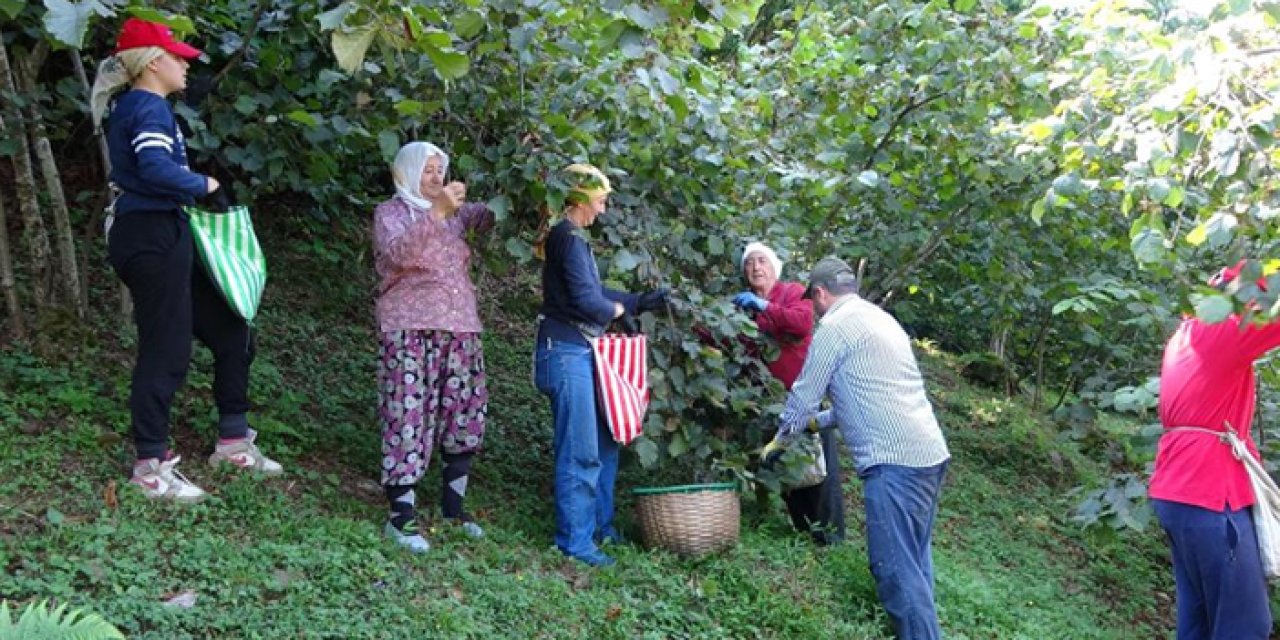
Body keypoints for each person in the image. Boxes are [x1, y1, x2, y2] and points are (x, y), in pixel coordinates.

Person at [92, 18, 282, 503]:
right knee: (167, 348)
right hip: (150, 233)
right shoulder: (148, 107)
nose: (185, 64)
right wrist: (204, 185)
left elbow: (153, 169)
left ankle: (233, 442)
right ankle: (149, 467)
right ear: (153, 63)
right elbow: (155, 168)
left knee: (230, 329)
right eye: (178, 57)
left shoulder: (144, 106)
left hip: (167, 229)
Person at [777, 256, 950, 639]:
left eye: (813, 300)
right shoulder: (880, 320)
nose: (814, 309)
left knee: (894, 570)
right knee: (914, 563)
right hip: (928, 455)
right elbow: (861, 398)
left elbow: (805, 395)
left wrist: (778, 440)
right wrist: (814, 424)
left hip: (895, 465)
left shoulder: (835, 329)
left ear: (820, 293)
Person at [533, 163, 668, 567]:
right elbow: (588, 302)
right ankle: (575, 542)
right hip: (565, 351)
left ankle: (600, 527)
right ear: (579, 196)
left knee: (606, 443)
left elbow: (593, 291)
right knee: (581, 450)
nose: (603, 210)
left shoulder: (575, 239)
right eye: (600, 200)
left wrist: (638, 300)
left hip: (582, 351)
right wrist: (616, 309)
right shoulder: (567, 237)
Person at [373, 142, 495, 553]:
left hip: (461, 328)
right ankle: (401, 517)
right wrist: (436, 212)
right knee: (407, 413)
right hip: (409, 328)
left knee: (463, 415)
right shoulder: (391, 214)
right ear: (406, 172)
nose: (436, 179)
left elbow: (497, 214)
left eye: (440, 170)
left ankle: (453, 509)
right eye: (427, 171)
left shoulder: (461, 217)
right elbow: (398, 256)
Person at [1148, 260, 1280, 639]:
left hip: (1179, 489)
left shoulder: (1187, 334)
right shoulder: (1219, 330)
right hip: (1209, 492)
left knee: (1200, 621)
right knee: (1246, 625)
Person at [732, 242, 845, 545]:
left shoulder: (793, 292)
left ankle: (830, 539)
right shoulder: (741, 307)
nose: (756, 268)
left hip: (802, 396)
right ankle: (802, 530)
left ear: (774, 267)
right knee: (785, 467)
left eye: (762, 262)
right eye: (750, 263)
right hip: (765, 401)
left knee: (817, 467)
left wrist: (766, 308)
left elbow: (802, 323)